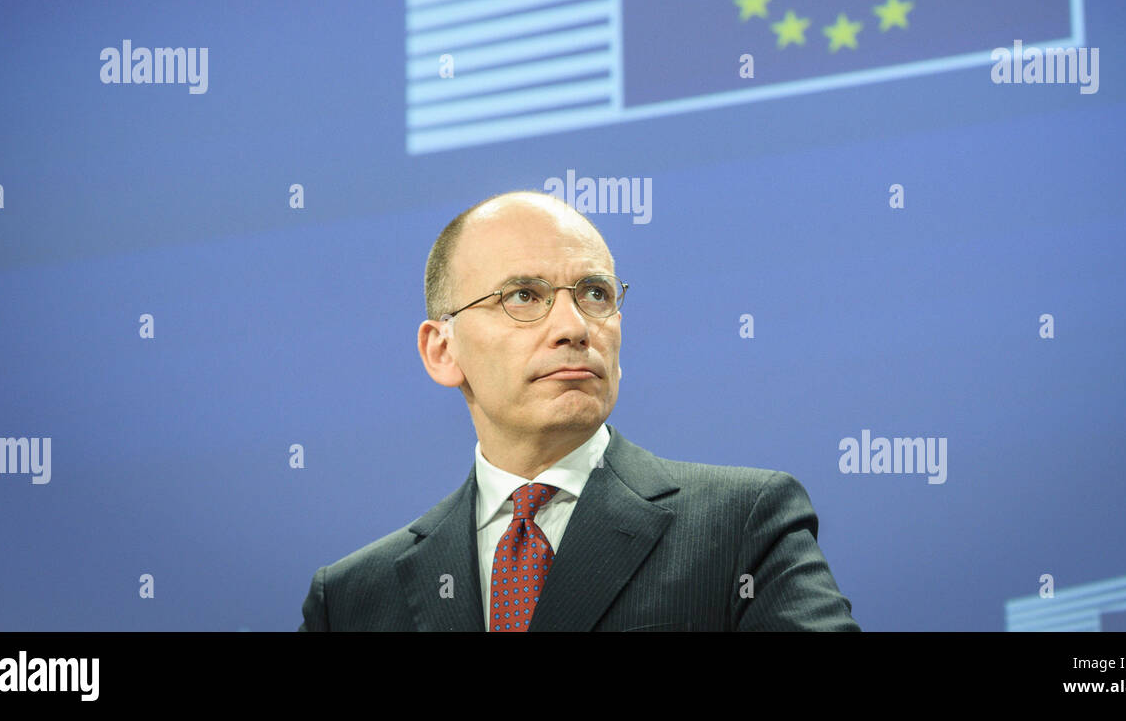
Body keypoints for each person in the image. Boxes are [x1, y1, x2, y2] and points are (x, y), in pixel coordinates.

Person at [298, 190, 859, 631]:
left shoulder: (743, 526)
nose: (573, 328)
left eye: (595, 293)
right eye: (523, 296)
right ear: (442, 351)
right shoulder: (351, 598)